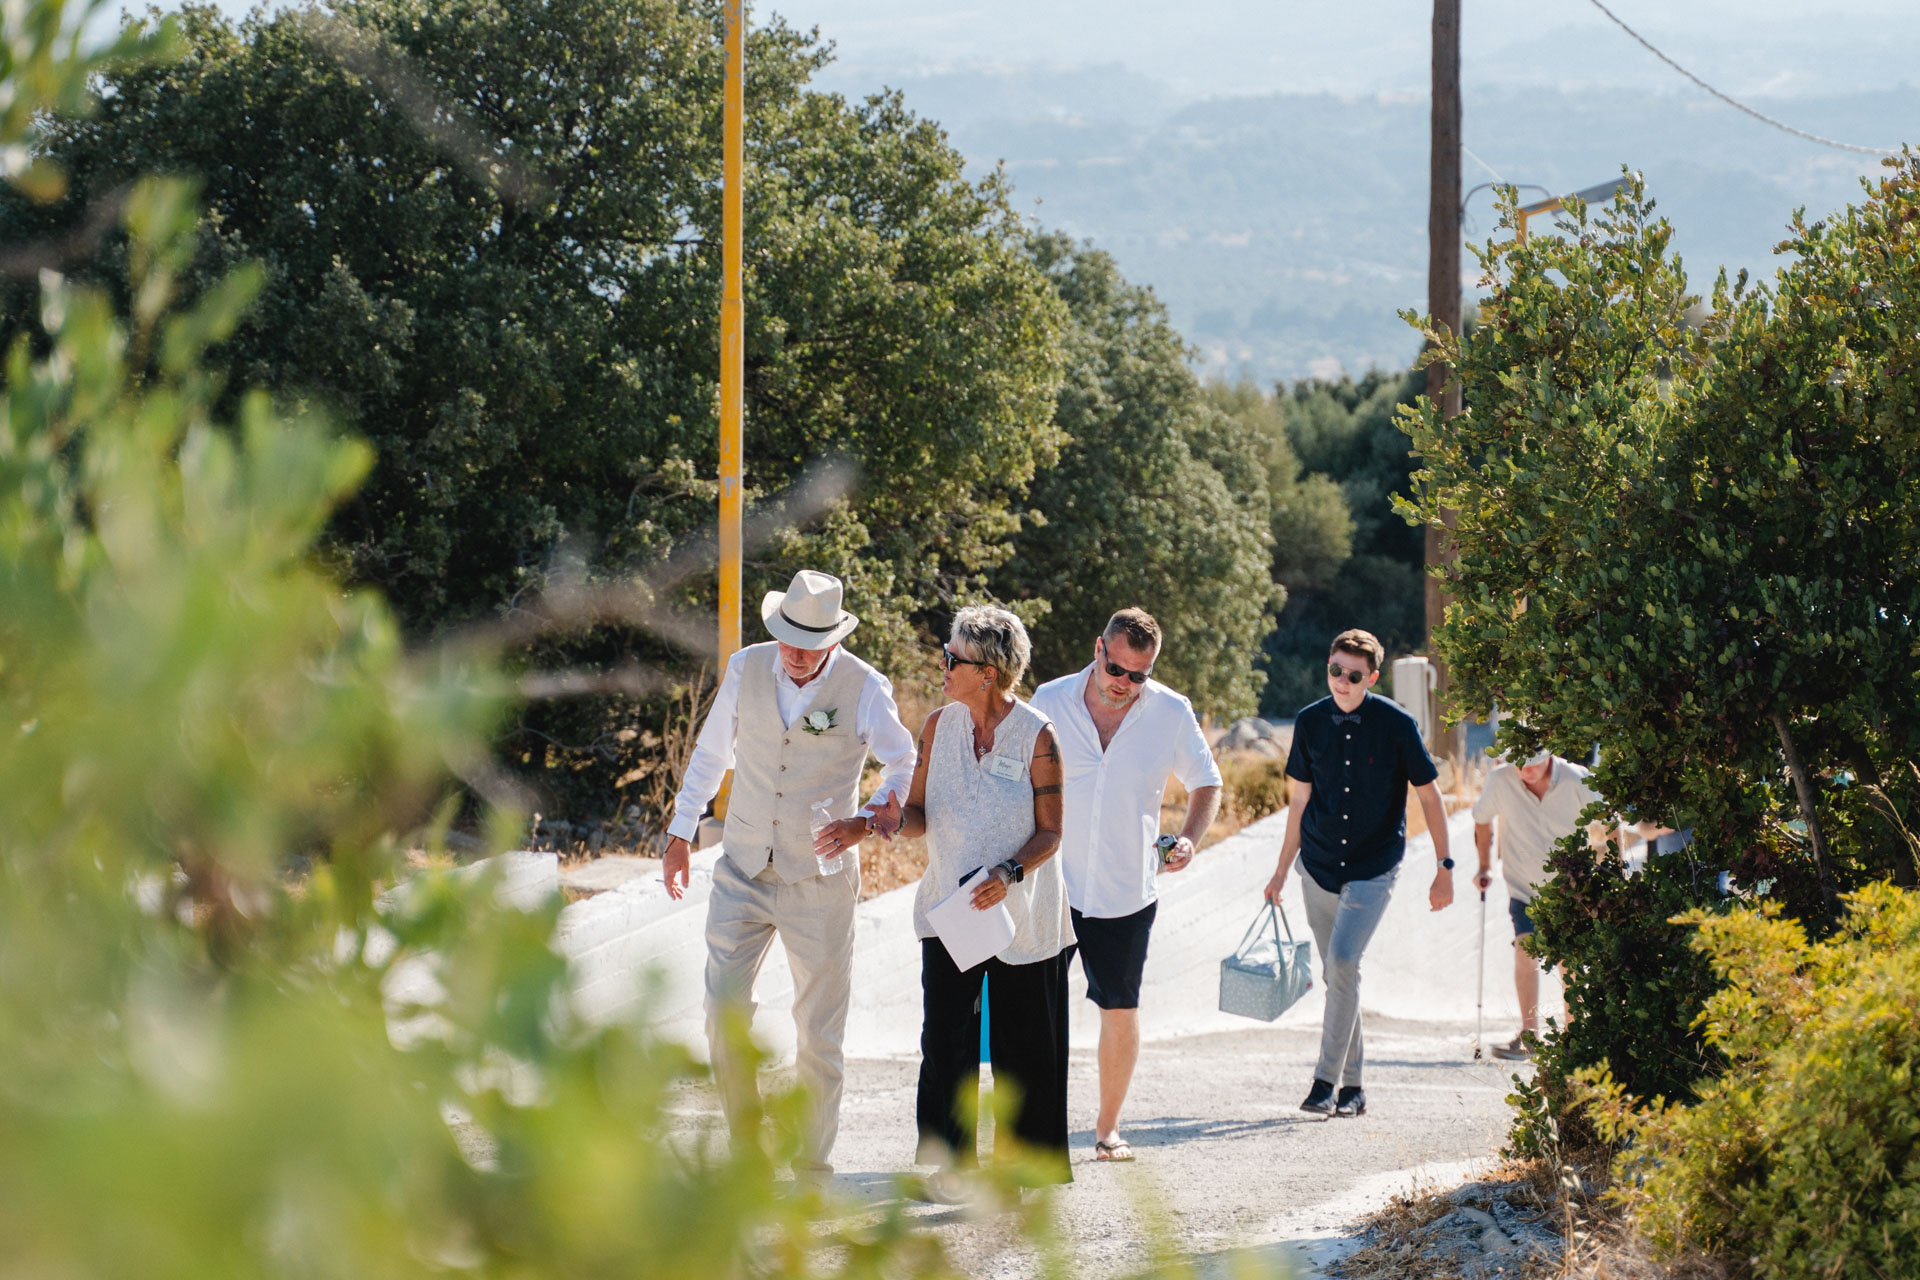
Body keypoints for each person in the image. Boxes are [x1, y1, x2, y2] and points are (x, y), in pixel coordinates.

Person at [662, 569, 915, 1183]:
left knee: (818, 1030)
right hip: (742, 866)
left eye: (810, 643)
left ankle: (812, 1163)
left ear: (834, 638)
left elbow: (904, 759)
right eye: (787, 639)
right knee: (723, 1010)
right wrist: (680, 830)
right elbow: (712, 752)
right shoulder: (747, 667)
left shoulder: (865, 686)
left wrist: (869, 819)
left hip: (820, 879)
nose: (797, 654)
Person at [1030, 607, 1221, 1163]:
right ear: (1098, 650)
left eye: (1139, 675)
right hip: (1050, 885)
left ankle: (1107, 1128)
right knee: (1038, 1014)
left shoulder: (1170, 712)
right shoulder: (1049, 699)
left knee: (1119, 1009)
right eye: (1118, 670)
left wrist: (1189, 839)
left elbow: (1207, 782)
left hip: (1125, 889)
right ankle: (1036, 1135)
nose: (1125, 684)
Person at [897, 606, 1071, 1200]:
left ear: (989, 673)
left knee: (1026, 1047)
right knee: (947, 1040)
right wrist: (890, 819)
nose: (942, 665)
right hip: (949, 910)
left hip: (1023, 914)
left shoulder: (1038, 735)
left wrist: (1009, 870)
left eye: (952, 658)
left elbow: (1051, 832)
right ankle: (954, 1171)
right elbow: (916, 814)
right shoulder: (935, 727)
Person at [1262, 628, 1455, 1119]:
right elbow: (1298, 802)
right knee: (1338, 974)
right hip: (1319, 866)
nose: (1341, 682)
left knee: (1344, 962)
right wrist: (1282, 871)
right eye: (1334, 671)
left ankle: (1324, 1083)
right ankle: (1354, 1087)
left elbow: (1429, 796)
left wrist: (1444, 866)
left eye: (1352, 675)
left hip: (1373, 867)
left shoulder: (1396, 723)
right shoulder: (1308, 723)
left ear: (1370, 677)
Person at [1470, 749, 1617, 1060]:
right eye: (1519, 761)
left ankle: (1573, 1038)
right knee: (1526, 952)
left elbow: (1610, 823)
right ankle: (1528, 1037)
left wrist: (1613, 869)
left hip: (1571, 890)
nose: (1525, 768)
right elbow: (1482, 821)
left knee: (1570, 965)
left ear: (1549, 755)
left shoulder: (1577, 779)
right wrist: (1484, 865)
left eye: (1533, 761)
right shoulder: (1501, 780)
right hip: (1523, 886)